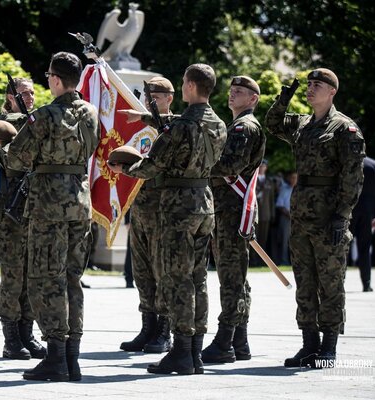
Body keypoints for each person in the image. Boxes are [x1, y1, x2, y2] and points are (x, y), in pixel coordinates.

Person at [110, 63, 227, 375]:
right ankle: (195, 351)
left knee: (175, 279)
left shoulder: (180, 128)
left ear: (189, 86)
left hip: (178, 207)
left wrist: (126, 171)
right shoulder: (219, 125)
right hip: (204, 202)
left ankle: (181, 350)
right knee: (199, 279)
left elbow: (152, 165)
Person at [6, 52, 98, 382]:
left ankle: (56, 356)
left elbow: (17, 157)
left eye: (48, 77)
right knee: (72, 278)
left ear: (56, 80)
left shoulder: (44, 115)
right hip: (80, 203)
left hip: (48, 206)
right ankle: (72, 358)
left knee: (47, 279)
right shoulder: (90, 113)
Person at [265, 68, 365, 368]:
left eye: (316, 85)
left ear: (332, 91)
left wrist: (342, 216)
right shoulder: (303, 123)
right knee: (304, 281)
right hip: (301, 214)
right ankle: (309, 344)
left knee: (330, 282)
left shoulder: (344, 129)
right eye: (308, 84)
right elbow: (272, 124)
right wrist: (286, 95)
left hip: (328, 215)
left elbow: (353, 178)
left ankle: (329, 346)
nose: (310, 89)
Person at [202, 75, 265, 364]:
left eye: (239, 92)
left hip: (232, 211)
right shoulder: (237, 125)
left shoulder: (244, 126)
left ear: (253, 99)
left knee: (231, 278)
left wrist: (199, 161)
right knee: (236, 277)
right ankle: (240, 342)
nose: (232, 95)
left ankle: (225, 340)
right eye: (231, 91)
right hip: (228, 210)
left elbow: (230, 165)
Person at [117, 76, 178, 354]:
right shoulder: (142, 129)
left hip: (163, 209)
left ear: (169, 98)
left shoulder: (173, 127)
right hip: (141, 208)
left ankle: (165, 330)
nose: (149, 99)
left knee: (161, 272)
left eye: (156, 95)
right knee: (142, 273)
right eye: (146, 94)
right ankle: (148, 326)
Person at [0, 78, 47, 360]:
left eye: (33, 92)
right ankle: (11, 337)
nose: (31, 97)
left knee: (32, 276)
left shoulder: (35, 121)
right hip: (12, 213)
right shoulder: (6, 124)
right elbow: (13, 156)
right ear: (10, 97)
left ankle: (27, 332)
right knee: (13, 277)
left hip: (34, 209)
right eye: (24, 93)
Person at [350, 157, 375, 292]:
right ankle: (366, 284)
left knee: (342, 247)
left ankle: (340, 282)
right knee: (365, 247)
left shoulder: (347, 161)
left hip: (349, 208)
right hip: (368, 211)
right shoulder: (374, 165)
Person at [250, 159, 275, 266]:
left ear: (266, 168)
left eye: (263, 166)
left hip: (266, 214)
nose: (261, 168)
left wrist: (272, 214)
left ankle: (261, 262)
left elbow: (271, 200)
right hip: (255, 214)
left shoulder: (269, 181)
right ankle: (253, 260)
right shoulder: (253, 180)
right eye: (260, 167)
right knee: (254, 238)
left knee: (263, 239)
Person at [275, 171, 297, 265]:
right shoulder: (284, 189)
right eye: (292, 177)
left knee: (297, 242)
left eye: (295, 178)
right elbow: (279, 205)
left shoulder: (301, 190)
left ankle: (296, 261)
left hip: (299, 219)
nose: (294, 180)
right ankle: (284, 261)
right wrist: (289, 214)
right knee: (284, 241)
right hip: (286, 218)